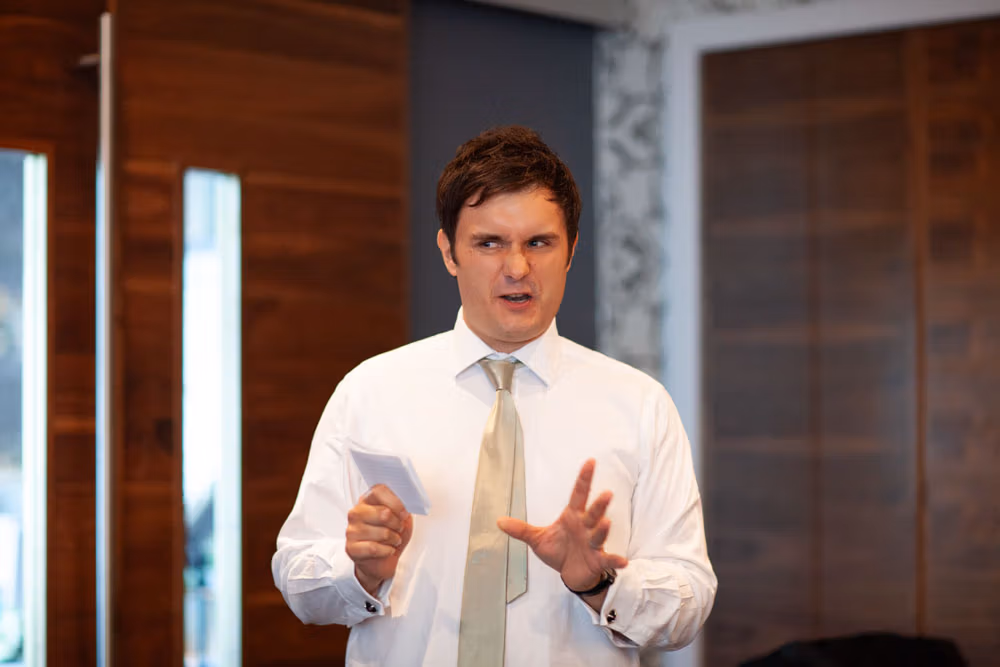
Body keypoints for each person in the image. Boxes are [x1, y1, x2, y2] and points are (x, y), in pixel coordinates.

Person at [271, 126, 716, 666]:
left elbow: (689, 603)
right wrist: (361, 570)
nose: (517, 268)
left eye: (539, 242)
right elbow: (299, 581)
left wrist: (600, 583)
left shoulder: (640, 404)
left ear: (571, 250)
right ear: (449, 252)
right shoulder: (370, 390)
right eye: (489, 243)